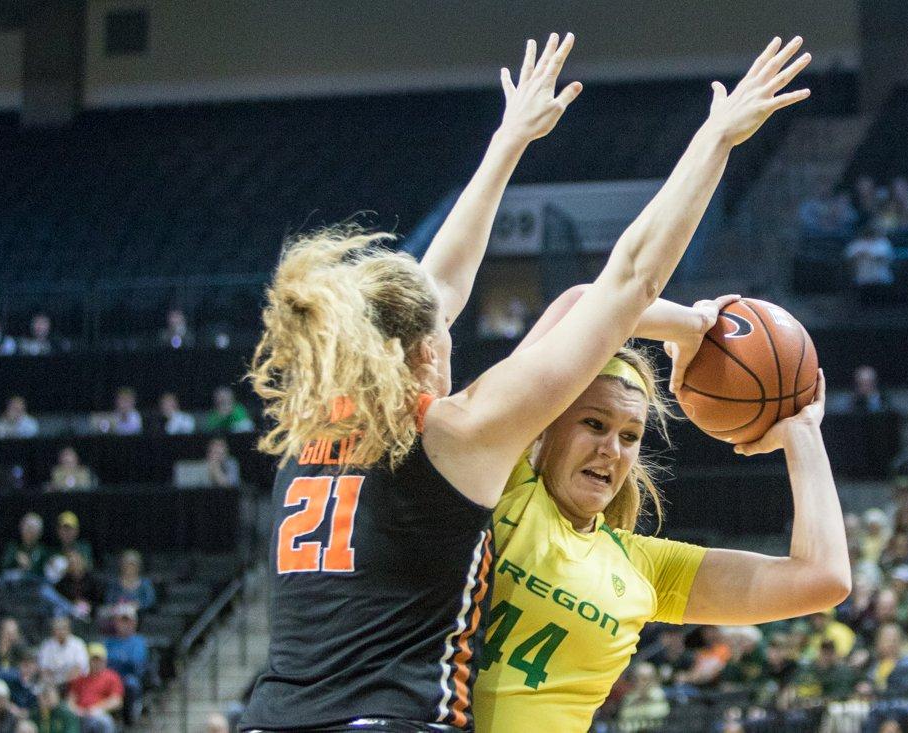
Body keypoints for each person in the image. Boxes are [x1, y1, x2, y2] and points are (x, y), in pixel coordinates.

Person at [242, 31, 809, 732]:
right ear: (423, 353)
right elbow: (629, 279)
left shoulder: (313, 427)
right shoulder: (459, 435)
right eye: (442, 330)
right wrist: (717, 140)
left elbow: (433, 291)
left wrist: (508, 143)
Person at [473, 46, 845, 732]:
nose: (612, 449)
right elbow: (583, 303)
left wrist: (800, 431)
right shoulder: (497, 486)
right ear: (548, 424)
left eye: (630, 435)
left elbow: (822, 578)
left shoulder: (643, 565)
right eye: (593, 424)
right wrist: (693, 329)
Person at [67, 645, 122, 733]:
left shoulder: (112, 677)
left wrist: (96, 709)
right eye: (94, 660)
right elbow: (71, 700)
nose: (96, 663)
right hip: (79, 715)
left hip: (99, 714)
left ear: (105, 661)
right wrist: (77, 710)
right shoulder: (80, 678)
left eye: (99, 660)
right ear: (88, 661)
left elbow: (116, 701)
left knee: (104, 722)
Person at [36, 618, 87, 687]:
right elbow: (44, 669)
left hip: (74, 682)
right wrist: (53, 684)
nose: (61, 631)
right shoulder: (46, 646)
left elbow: (78, 668)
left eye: (64, 628)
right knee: (43, 687)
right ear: (53, 631)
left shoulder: (78, 644)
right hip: (53, 683)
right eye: (58, 629)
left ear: (69, 630)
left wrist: (65, 684)